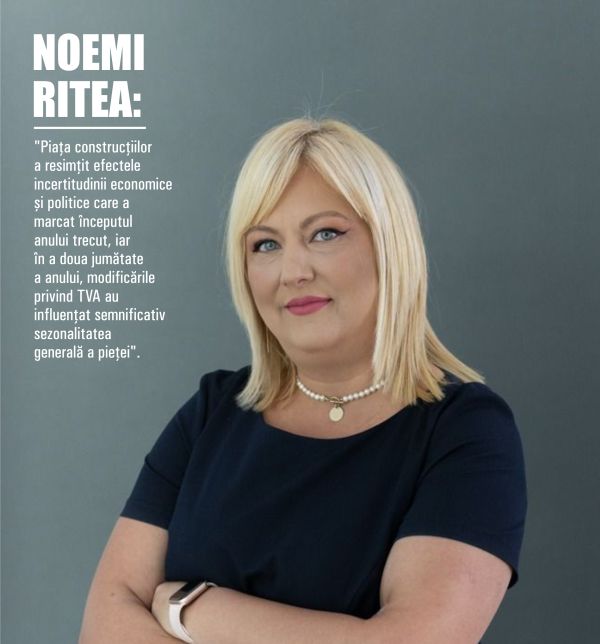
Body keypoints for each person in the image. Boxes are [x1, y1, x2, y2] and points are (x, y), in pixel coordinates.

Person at [79, 117, 528, 643]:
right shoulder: (210, 413)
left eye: (325, 234)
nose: (293, 271)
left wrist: (193, 609)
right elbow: (103, 626)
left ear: (389, 244)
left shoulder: (465, 431)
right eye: (265, 244)